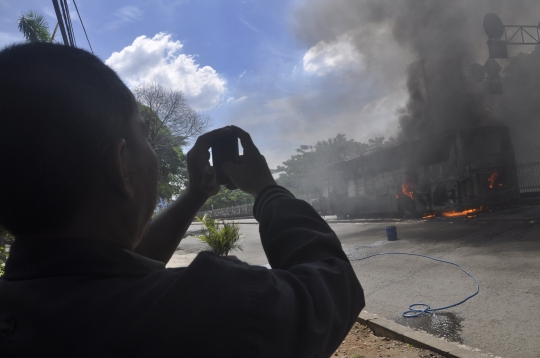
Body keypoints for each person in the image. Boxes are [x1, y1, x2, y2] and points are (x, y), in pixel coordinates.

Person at [0, 42, 364, 357]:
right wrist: (266, 189)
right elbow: (333, 285)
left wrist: (195, 194)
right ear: (123, 165)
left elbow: (116, 265)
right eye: (145, 136)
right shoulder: (217, 307)